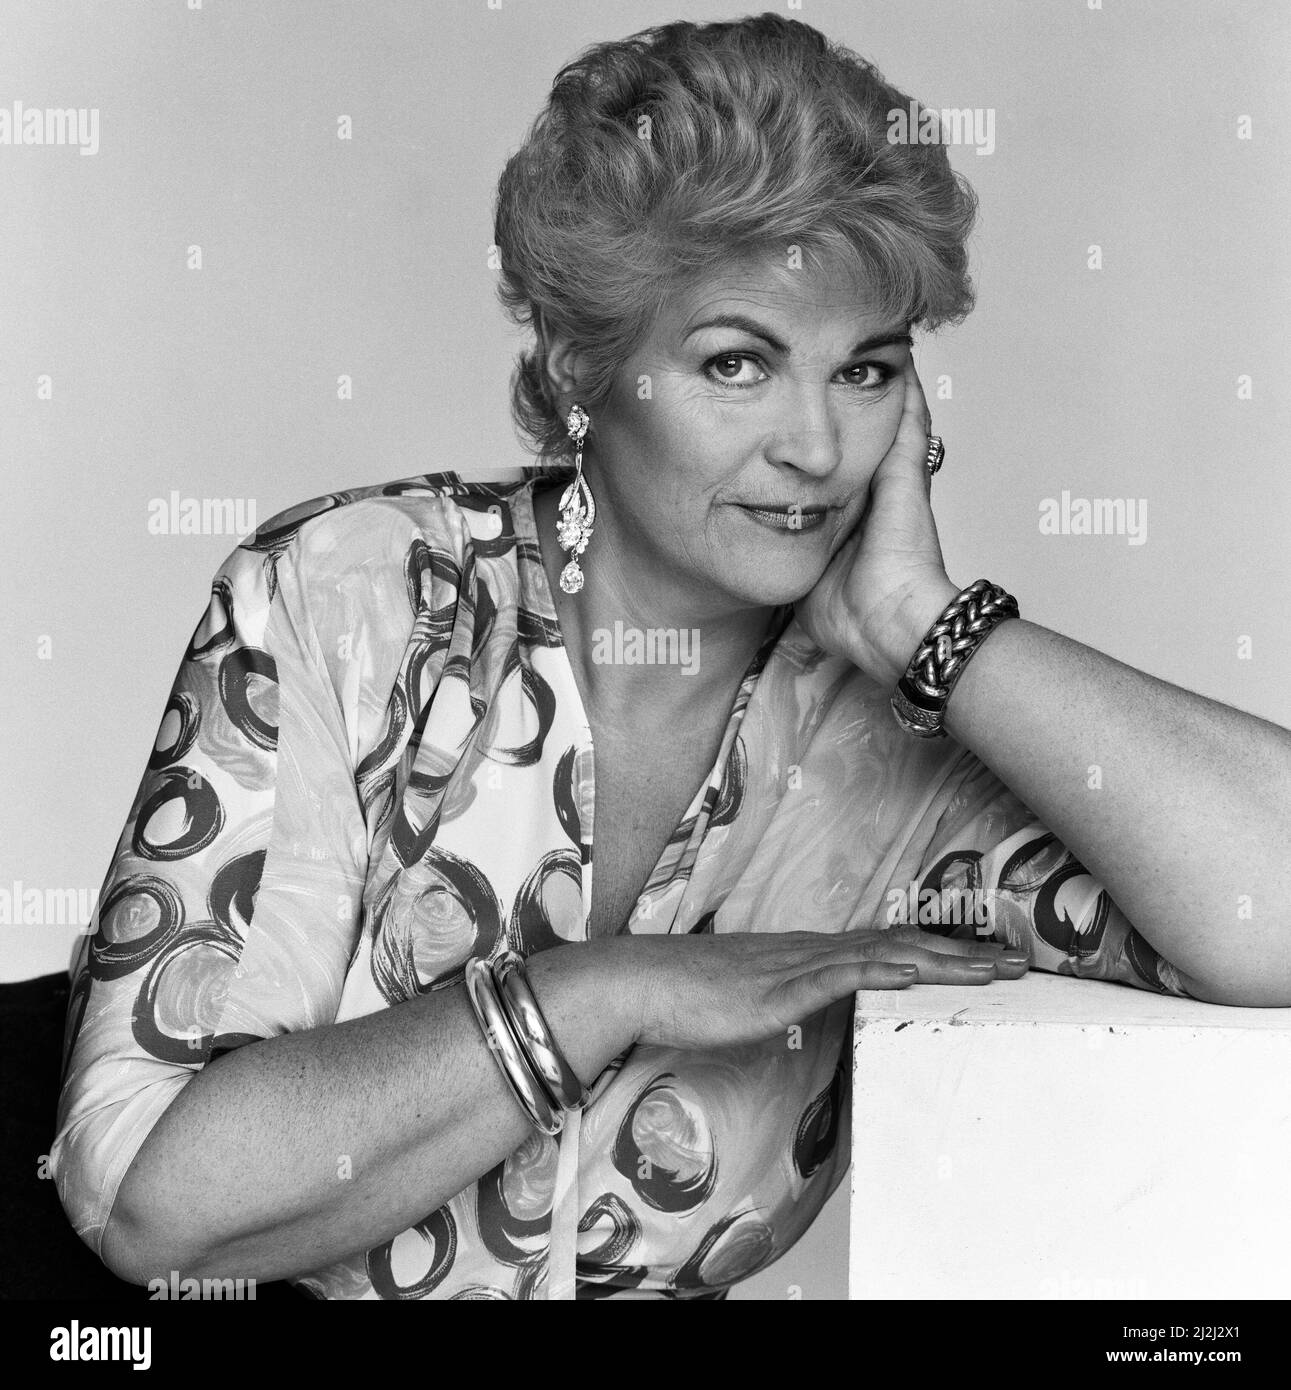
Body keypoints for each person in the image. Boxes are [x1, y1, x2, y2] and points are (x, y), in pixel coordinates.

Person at [52, 13, 1291, 1302]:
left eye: (865, 371)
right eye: (739, 363)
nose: (817, 444)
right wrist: (606, 992)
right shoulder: (356, 604)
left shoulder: (904, 745)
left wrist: (932, 627)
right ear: (585, 367)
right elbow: (154, 1201)